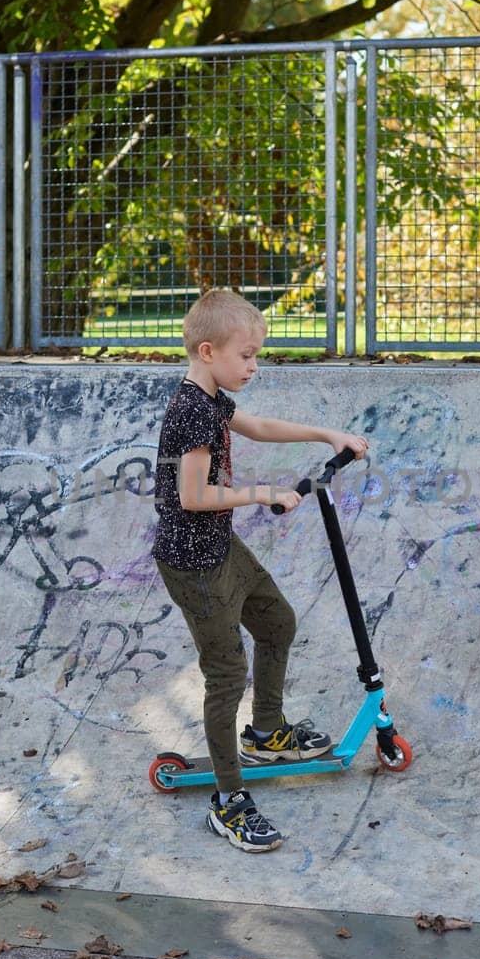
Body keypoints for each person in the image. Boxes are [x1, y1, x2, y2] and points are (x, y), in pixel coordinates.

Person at [152, 289, 370, 852]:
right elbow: (195, 496)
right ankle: (228, 800)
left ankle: (268, 733)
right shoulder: (190, 412)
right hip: (194, 564)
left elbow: (259, 427)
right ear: (208, 351)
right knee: (226, 676)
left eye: (256, 354)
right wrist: (262, 494)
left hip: (220, 548)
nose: (254, 365)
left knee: (276, 623)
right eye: (246, 355)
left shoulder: (213, 398)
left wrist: (327, 435)